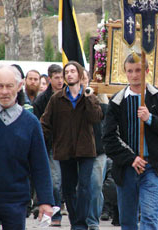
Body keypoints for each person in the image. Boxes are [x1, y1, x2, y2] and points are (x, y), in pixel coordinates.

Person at [0, 64, 54, 230]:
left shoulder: (31, 123)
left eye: (9, 86)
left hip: (16, 199)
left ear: (19, 86)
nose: (4, 92)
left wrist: (46, 201)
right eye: (0, 86)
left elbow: (40, 165)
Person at [103, 53, 158, 230]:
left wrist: (151, 119)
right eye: (130, 71)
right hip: (126, 168)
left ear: (146, 71)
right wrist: (131, 158)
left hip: (153, 167)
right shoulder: (117, 101)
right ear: (125, 73)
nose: (134, 75)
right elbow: (109, 138)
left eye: (138, 70)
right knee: (128, 221)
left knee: (149, 217)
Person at [41, 61, 103, 230]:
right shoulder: (57, 98)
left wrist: (89, 96)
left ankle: (81, 223)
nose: (69, 74)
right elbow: (45, 122)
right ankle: (77, 223)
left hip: (86, 149)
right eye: (66, 72)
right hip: (65, 149)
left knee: (84, 187)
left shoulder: (89, 95)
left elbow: (96, 118)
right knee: (68, 189)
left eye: (72, 71)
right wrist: (40, 142)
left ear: (79, 74)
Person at [32, 64, 64, 226]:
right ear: (49, 79)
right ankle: (56, 214)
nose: (60, 81)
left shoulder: (70, 94)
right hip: (52, 145)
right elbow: (39, 125)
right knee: (55, 181)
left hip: (71, 144)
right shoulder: (41, 100)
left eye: (62, 77)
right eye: (56, 77)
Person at [82, 70, 109, 230]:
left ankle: (92, 221)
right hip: (79, 151)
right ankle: (81, 218)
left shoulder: (101, 102)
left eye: (86, 79)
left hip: (98, 151)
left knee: (96, 185)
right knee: (81, 186)